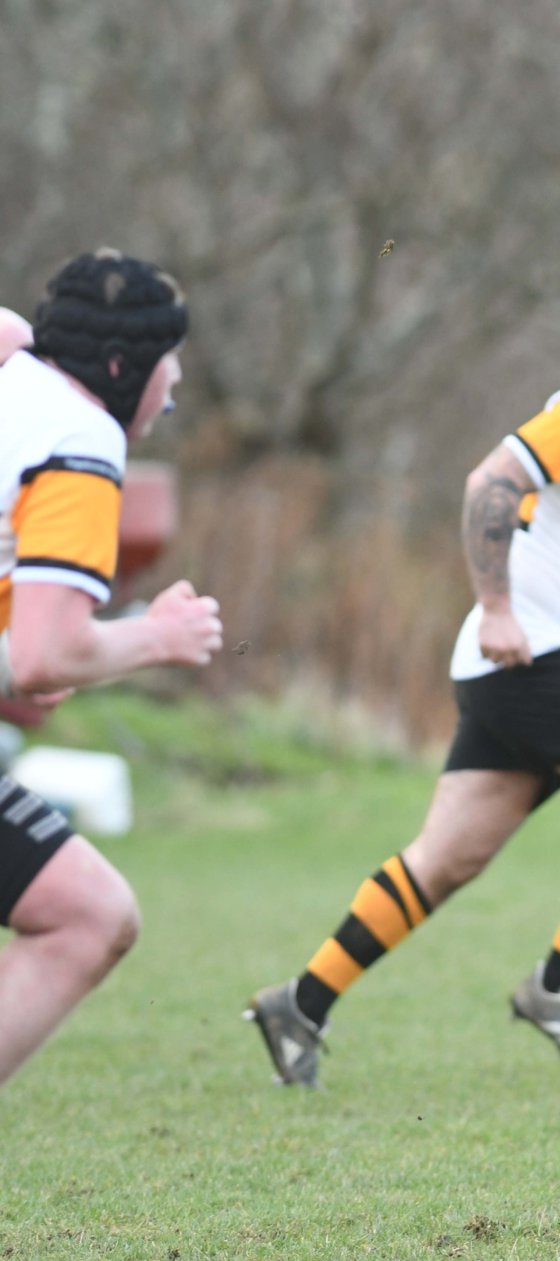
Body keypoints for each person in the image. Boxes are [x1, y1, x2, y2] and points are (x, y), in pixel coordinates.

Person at [246, 261, 560, 1087]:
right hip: (528, 653)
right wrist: (496, 606)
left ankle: (299, 1002)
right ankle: (558, 985)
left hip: (545, 665)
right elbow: (493, 480)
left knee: (444, 860)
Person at [0, 250, 224, 1086]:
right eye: (168, 360)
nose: (174, 386)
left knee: (84, 909)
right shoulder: (80, 437)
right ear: (124, 366)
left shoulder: (13, 368)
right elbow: (46, 652)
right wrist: (156, 636)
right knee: (86, 918)